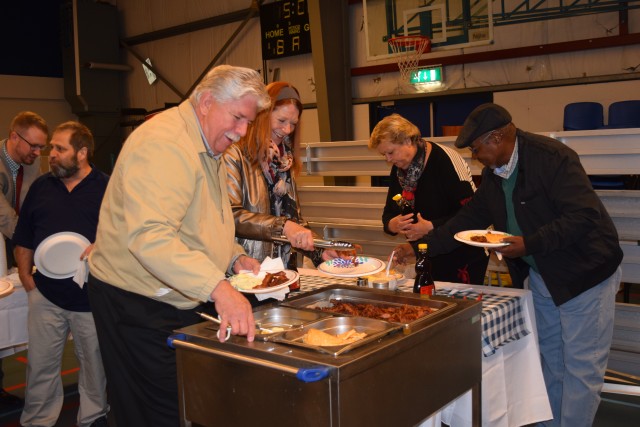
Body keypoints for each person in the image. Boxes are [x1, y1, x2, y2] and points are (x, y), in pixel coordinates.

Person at [395, 103, 623, 426]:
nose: (476, 158)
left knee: (581, 372)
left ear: (498, 138)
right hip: (544, 276)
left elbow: (584, 217)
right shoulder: (493, 177)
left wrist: (527, 244)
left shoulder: (553, 159)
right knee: (551, 366)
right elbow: (465, 221)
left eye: (477, 149)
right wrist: (420, 247)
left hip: (585, 275)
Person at [87, 65, 271, 427]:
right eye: (237, 118)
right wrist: (218, 288)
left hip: (173, 294)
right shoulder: (166, 145)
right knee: (154, 411)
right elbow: (150, 236)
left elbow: (205, 218)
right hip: (135, 301)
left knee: (186, 402)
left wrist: (234, 258)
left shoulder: (206, 143)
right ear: (206, 102)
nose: (242, 132)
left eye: (248, 123)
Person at [13, 121, 110, 427]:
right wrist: (28, 279)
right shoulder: (42, 187)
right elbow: (24, 235)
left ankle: (92, 418)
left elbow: (125, 236)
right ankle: (38, 421)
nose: (50, 154)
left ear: (82, 153)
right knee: (40, 366)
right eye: (50, 147)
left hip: (91, 297)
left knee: (94, 366)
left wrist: (103, 244)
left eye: (59, 148)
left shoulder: (107, 188)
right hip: (45, 295)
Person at [224, 82, 339, 270]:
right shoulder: (234, 155)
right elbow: (232, 216)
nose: (287, 130)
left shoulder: (284, 161)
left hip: (282, 271)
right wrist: (282, 226)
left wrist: (320, 249)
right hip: (246, 272)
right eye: (281, 121)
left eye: (293, 124)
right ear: (262, 115)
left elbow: (295, 221)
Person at [369, 113, 488, 284]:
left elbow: (472, 215)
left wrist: (432, 226)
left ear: (408, 141)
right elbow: (388, 215)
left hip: (463, 257)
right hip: (430, 255)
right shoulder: (400, 169)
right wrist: (393, 224)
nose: (388, 160)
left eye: (390, 152)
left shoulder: (446, 160)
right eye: (384, 155)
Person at [0, 111, 48, 410]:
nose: (38, 153)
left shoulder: (31, 161)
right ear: (14, 136)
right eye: (33, 146)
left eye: (41, 147)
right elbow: (4, 216)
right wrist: (32, 244)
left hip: (15, 238)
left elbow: (34, 206)